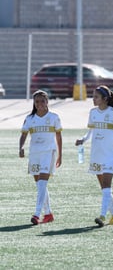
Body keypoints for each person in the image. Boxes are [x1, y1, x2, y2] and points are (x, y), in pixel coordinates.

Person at [75, 85, 113, 227]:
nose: (93, 99)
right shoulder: (92, 113)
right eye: (93, 96)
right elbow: (90, 131)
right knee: (104, 188)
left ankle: (102, 216)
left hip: (110, 155)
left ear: (105, 99)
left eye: (96, 96)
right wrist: (83, 140)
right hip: (96, 154)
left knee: (107, 186)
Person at [19, 90, 62, 225]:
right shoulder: (30, 119)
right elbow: (24, 134)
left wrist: (60, 154)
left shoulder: (54, 117)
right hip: (35, 153)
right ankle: (48, 213)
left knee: (43, 183)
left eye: (42, 101)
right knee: (40, 185)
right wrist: (20, 147)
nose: (39, 104)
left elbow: (58, 136)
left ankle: (37, 214)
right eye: (37, 102)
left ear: (47, 101)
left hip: (48, 152)